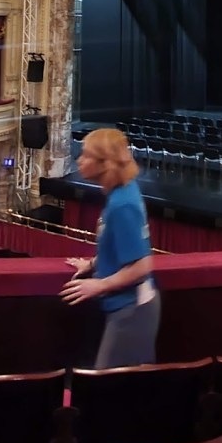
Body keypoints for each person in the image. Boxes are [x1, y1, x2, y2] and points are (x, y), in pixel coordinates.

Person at [62, 128, 160, 369]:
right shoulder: (121, 193)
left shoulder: (122, 204)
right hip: (126, 309)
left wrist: (98, 284)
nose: (79, 160)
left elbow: (142, 265)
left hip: (132, 312)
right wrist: (94, 264)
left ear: (104, 163)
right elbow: (120, 246)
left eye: (86, 155)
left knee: (110, 392)